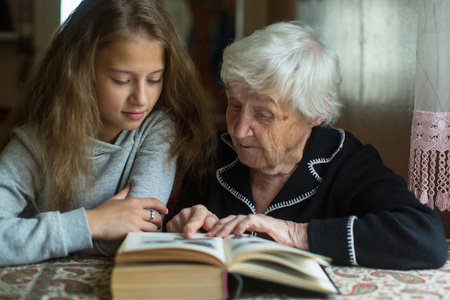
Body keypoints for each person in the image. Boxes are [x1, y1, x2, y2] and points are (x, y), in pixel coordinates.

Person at [167, 21, 448, 270]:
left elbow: (425, 237)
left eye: (263, 115)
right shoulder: (215, 153)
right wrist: (183, 222)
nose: (239, 130)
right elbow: (174, 231)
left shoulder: (345, 161)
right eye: (235, 105)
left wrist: (296, 234)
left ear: (315, 113)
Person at [0, 0, 215, 266]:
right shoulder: (34, 143)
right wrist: (93, 222)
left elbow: (136, 236)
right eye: (121, 80)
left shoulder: (158, 128)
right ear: (80, 73)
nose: (141, 98)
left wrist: (33, 236)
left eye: (154, 79)